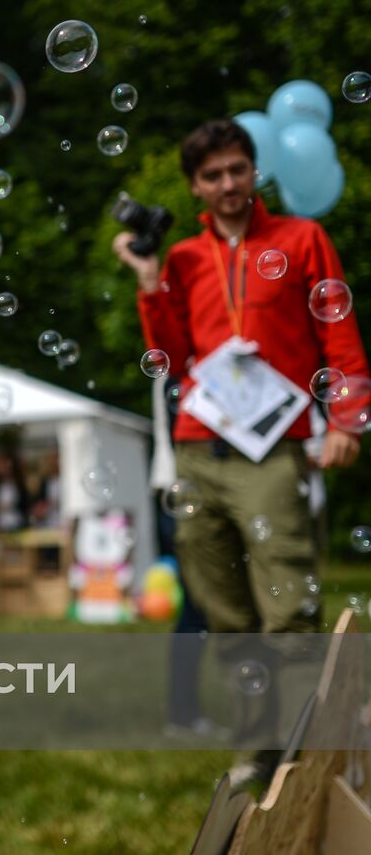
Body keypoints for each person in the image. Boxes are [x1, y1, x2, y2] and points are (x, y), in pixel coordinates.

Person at [113, 117, 369, 786]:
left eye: (238, 169)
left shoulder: (302, 239)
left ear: (255, 172)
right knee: (226, 614)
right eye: (213, 174)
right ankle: (258, 747)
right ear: (195, 186)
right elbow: (168, 354)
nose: (229, 183)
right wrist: (147, 279)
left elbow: (338, 334)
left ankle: (309, 743)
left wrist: (347, 417)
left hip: (275, 449)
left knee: (288, 604)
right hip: (201, 448)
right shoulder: (184, 259)